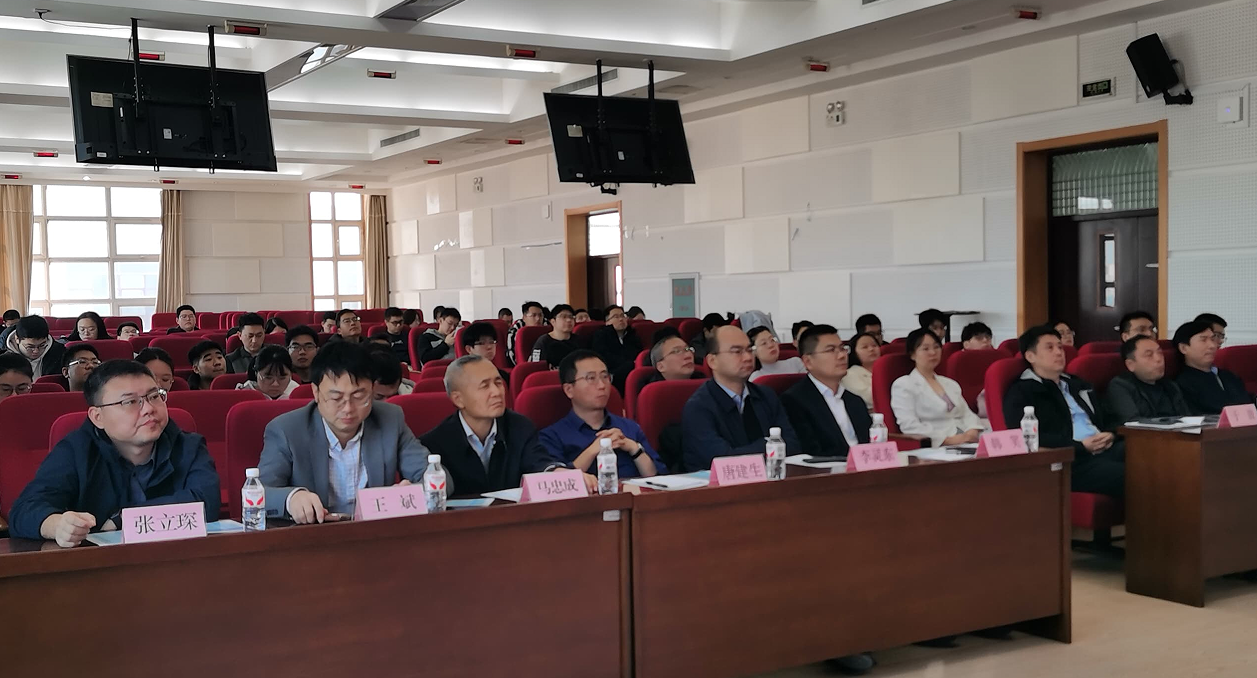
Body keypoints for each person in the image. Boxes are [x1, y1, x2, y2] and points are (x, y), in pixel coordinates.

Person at [7, 360, 220, 546]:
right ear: (97, 417)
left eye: (154, 396)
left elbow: (206, 503)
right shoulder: (75, 451)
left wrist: (122, 520)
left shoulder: (189, 446)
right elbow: (24, 511)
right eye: (130, 402)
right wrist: (56, 525)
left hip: (174, 562)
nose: (149, 409)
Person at [257, 342, 435, 524]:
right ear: (316, 392)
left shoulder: (390, 419)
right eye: (336, 398)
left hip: (376, 531)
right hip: (314, 533)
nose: (348, 408)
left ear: (372, 389)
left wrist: (412, 492)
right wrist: (291, 498)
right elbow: (259, 493)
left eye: (359, 396)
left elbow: (435, 475)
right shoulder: (286, 430)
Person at [1005, 325, 1123, 497]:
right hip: (1070, 460)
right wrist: (1081, 447)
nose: (1059, 352)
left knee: (1151, 459)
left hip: (1105, 447)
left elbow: (1109, 416)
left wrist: (1111, 434)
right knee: (1132, 474)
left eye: (1060, 347)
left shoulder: (1078, 384)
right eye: (1050, 348)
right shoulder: (1022, 391)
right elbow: (1027, 437)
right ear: (1030, 356)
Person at [421, 356, 566, 495]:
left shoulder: (520, 427)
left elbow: (539, 463)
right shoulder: (435, 444)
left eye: (498, 383)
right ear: (458, 399)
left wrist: (556, 473)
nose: (497, 392)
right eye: (484, 386)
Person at [681, 326, 800, 472]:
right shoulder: (698, 407)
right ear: (712, 361)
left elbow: (792, 445)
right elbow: (723, 460)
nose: (748, 357)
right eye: (737, 352)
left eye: (749, 350)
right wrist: (768, 444)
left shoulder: (766, 395)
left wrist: (746, 451)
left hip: (772, 479)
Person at [541, 350, 664, 480]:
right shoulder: (552, 436)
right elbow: (556, 483)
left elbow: (660, 479)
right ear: (569, 390)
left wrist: (634, 448)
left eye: (605, 376)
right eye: (591, 378)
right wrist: (593, 450)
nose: (602, 385)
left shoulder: (630, 428)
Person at [782, 325, 872, 458]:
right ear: (808, 361)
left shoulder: (855, 400)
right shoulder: (793, 402)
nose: (842, 355)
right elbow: (810, 454)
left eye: (842, 348)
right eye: (831, 350)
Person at [890, 329, 984, 446]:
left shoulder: (950, 383)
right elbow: (909, 426)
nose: (933, 352)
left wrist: (972, 431)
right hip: (938, 445)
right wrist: (948, 440)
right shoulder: (904, 385)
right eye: (926, 349)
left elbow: (967, 413)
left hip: (967, 439)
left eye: (936, 347)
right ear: (913, 354)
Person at [1173, 320, 1252, 414]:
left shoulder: (1229, 376)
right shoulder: (1183, 384)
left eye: (1213, 339)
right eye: (1203, 340)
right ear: (1183, 348)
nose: (1213, 345)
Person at [1107, 335, 1190, 423]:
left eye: (1160, 353)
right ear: (1130, 364)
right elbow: (1132, 423)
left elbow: (1187, 418)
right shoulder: (1120, 386)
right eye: (1149, 355)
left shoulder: (1170, 386)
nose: (1158, 359)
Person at [592, 305, 643, 392]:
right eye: (616, 317)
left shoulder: (632, 335)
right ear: (607, 322)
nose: (621, 319)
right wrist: (629, 364)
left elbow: (638, 353)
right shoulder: (600, 336)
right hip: (612, 372)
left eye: (622, 316)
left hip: (632, 370)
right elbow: (604, 357)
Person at [532, 304, 578, 368]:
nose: (569, 320)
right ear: (553, 321)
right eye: (564, 317)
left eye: (571, 317)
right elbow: (536, 366)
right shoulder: (543, 342)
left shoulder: (578, 340)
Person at [842, 332, 879, 411]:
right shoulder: (849, 374)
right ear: (854, 352)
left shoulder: (886, 371)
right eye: (865, 347)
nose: (871, 349)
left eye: (874, 345)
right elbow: (869, 398)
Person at [506, 301, 545, 366]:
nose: (538, 319)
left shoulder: (548, 327)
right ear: (524, 317)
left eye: (540, 315)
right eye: (534, 315)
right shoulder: (514, 332)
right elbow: (512, 356)